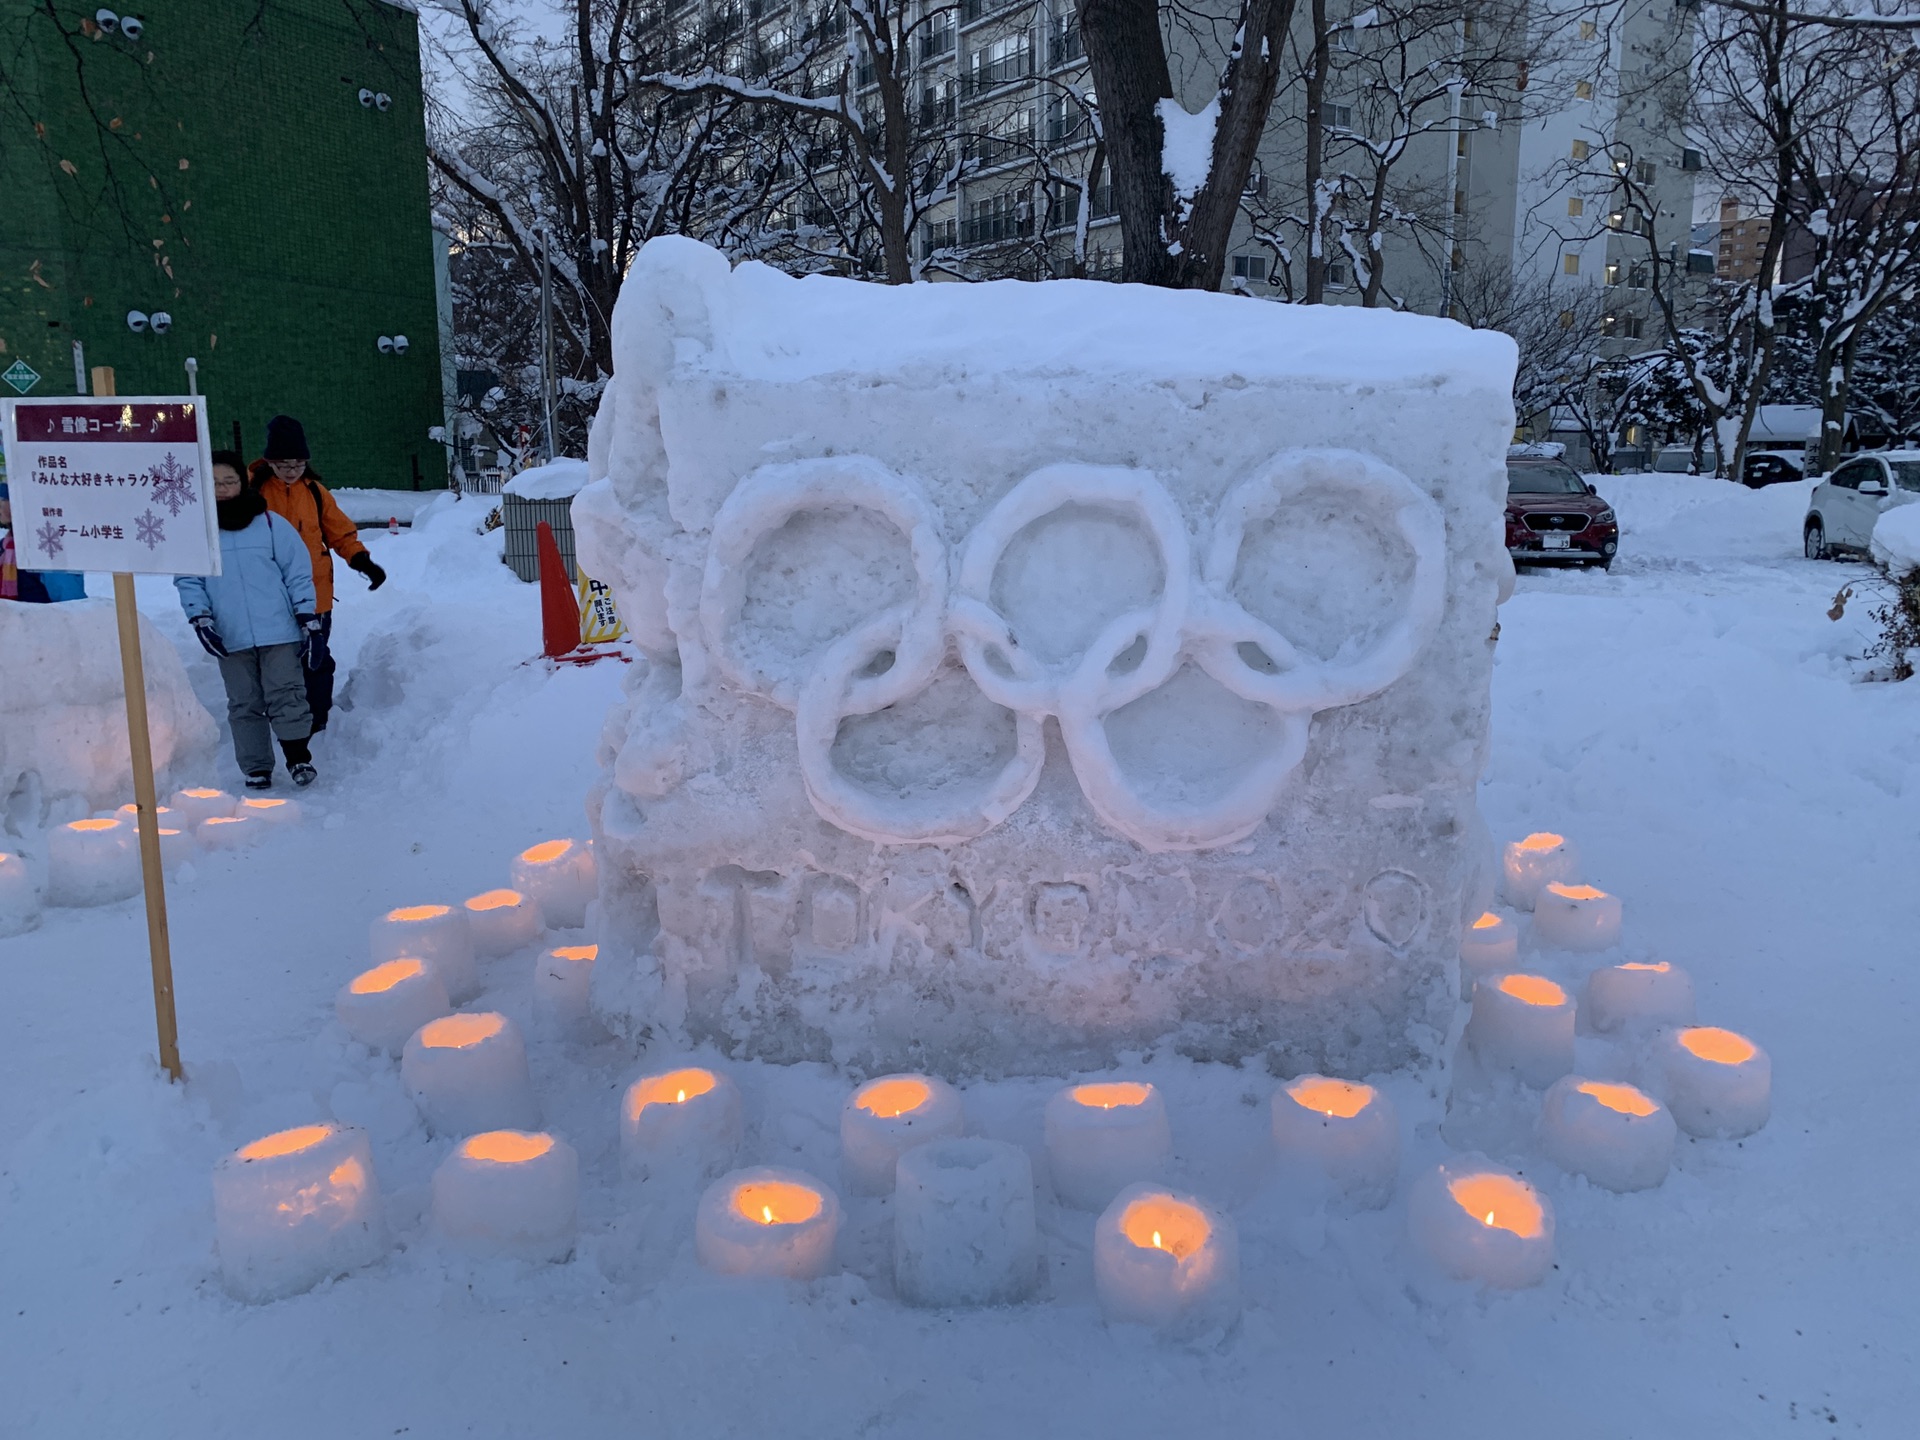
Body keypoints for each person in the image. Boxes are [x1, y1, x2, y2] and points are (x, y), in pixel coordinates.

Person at [176, 451, 322, 789]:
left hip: (279, 630)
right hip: (230, 633)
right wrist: (200, 618)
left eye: (229, 481)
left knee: (287, 693)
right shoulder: (198, 533)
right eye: (214, 483)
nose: (223, 489)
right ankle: (256, 767)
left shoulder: (271, 524)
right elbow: (188, 580)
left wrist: (306, 616)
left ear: (242, 482)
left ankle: (298, 757)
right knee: (244, 702)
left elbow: (298, 573)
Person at [247, 415, 386, 732]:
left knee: (316, 657)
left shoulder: (315, 493)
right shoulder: (253, 491)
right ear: (269, 461)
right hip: (269, 594)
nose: (291, 470)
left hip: (315, 593)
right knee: (276, 660)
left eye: (297, 463)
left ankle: (318, 716)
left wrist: (363, 562)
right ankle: (283, 714)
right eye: (283, 464)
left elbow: (341, 534)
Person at [1, 478, 87, 603]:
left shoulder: (46, 544)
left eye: (3, 499)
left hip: (46, 619)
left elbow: (71, 600)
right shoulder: (5, 546)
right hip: (16, 619)